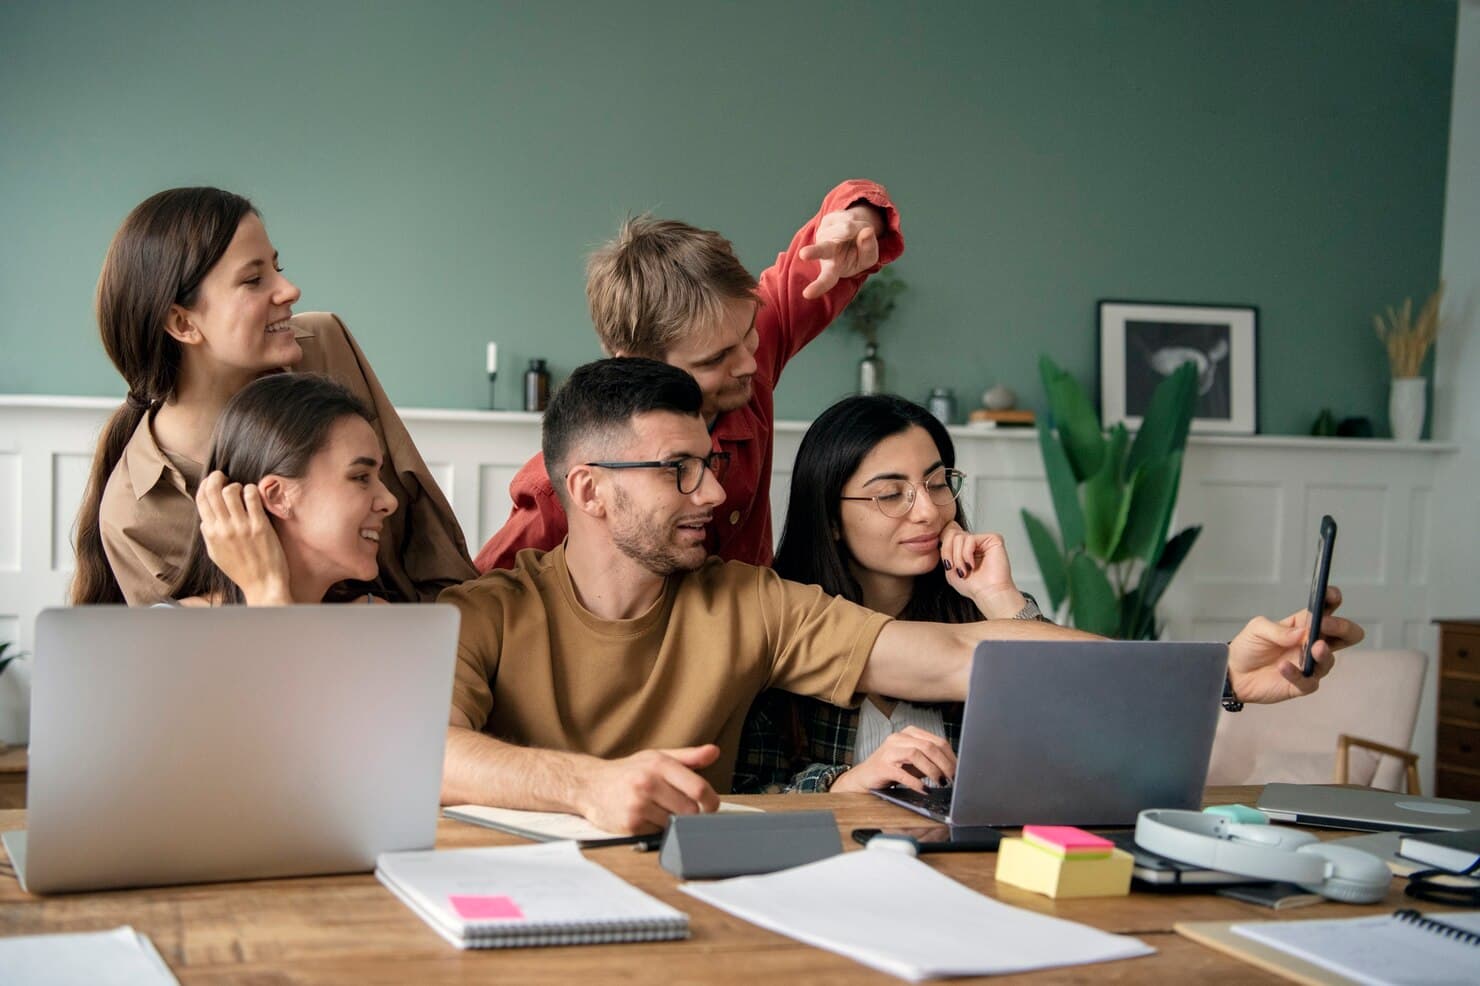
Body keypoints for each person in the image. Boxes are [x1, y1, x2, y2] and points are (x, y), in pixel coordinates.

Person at [439, 358, 1356, 835]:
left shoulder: (750, 602)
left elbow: (966, 657)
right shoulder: (485, 613)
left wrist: (1212, 675)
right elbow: (421, 752)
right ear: (592, 490)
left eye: (709, 465)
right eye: (679, 471)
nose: (715, 494)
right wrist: (588, 785)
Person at [731, 395, 1361, 795]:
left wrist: (1003, 603)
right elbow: (738, 793)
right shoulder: (785, 617)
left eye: (937, 482)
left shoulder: (976, 614)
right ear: (831, 515)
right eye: (890, 493)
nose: (926, 511)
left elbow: (1081, 742)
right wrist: (842, 784)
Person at [472, 179, 904, 572]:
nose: (750, 366)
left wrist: (855, 219)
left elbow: (848, 207)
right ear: (636, 362)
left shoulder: (740, 346)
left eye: (751, 334)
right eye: (714, 360)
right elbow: (482, 598)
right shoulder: (568, 485)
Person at [71, 187, 475, 606]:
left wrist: (458, 641)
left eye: (277, 268)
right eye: (253, 279)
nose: (289, 290)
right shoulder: (135, 513)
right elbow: (196, 662)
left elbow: (424, 526)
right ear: (182, 322)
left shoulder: (324, 346)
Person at [170, 374, 396, 606]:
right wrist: (266, 591)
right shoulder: (170, 631)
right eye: (361, 477)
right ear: (277, 496)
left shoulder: (375, 619)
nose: (390, 501)